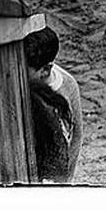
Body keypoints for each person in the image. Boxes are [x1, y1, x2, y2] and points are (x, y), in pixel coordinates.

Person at [23, 26, 83, 181]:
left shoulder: (68, 86)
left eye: (24, 69)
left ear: (45, 70)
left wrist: (66, 180)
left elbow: (75, 136)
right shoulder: (21, 87)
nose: (19, 72)